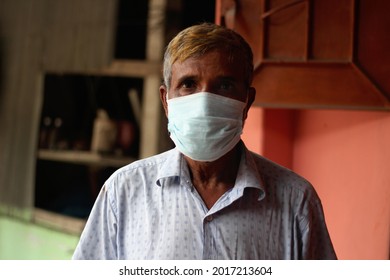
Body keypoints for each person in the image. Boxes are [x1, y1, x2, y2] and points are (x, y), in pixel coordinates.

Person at [72, 22, 337, 260]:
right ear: (166, 101)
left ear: (247, 101)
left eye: (224, 86)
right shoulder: (124, 191)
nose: (204, 103)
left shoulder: (296, 201)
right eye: (188, 84)